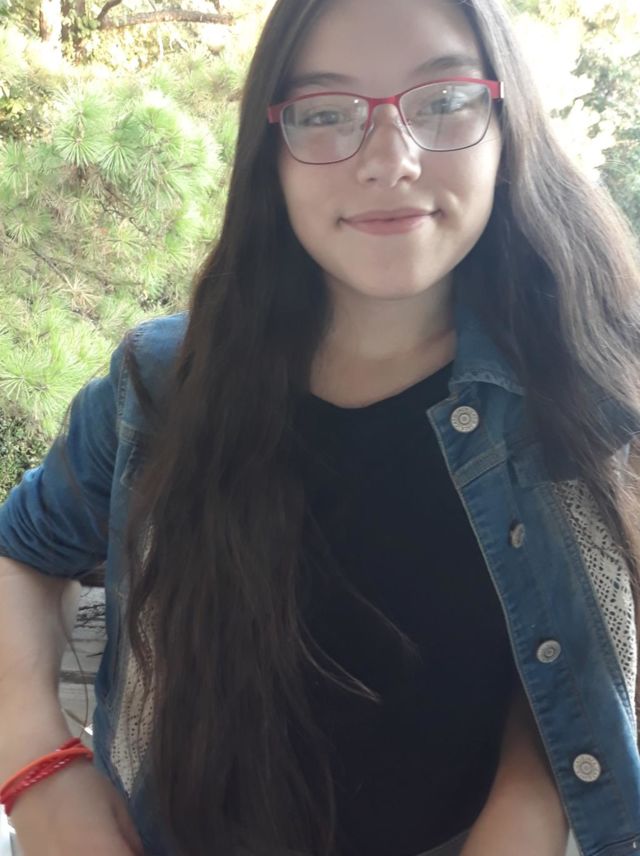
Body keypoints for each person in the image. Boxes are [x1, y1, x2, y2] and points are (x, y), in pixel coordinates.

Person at [0, 0, 639, 853]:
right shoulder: (158, 387)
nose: (390, 160)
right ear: (271, 153)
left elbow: (583, 627)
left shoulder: (589, 384)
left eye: (445, 100)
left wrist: (529, 797)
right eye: (326, 112)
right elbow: (20, 551)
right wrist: (35, 765)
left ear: (507, 123)